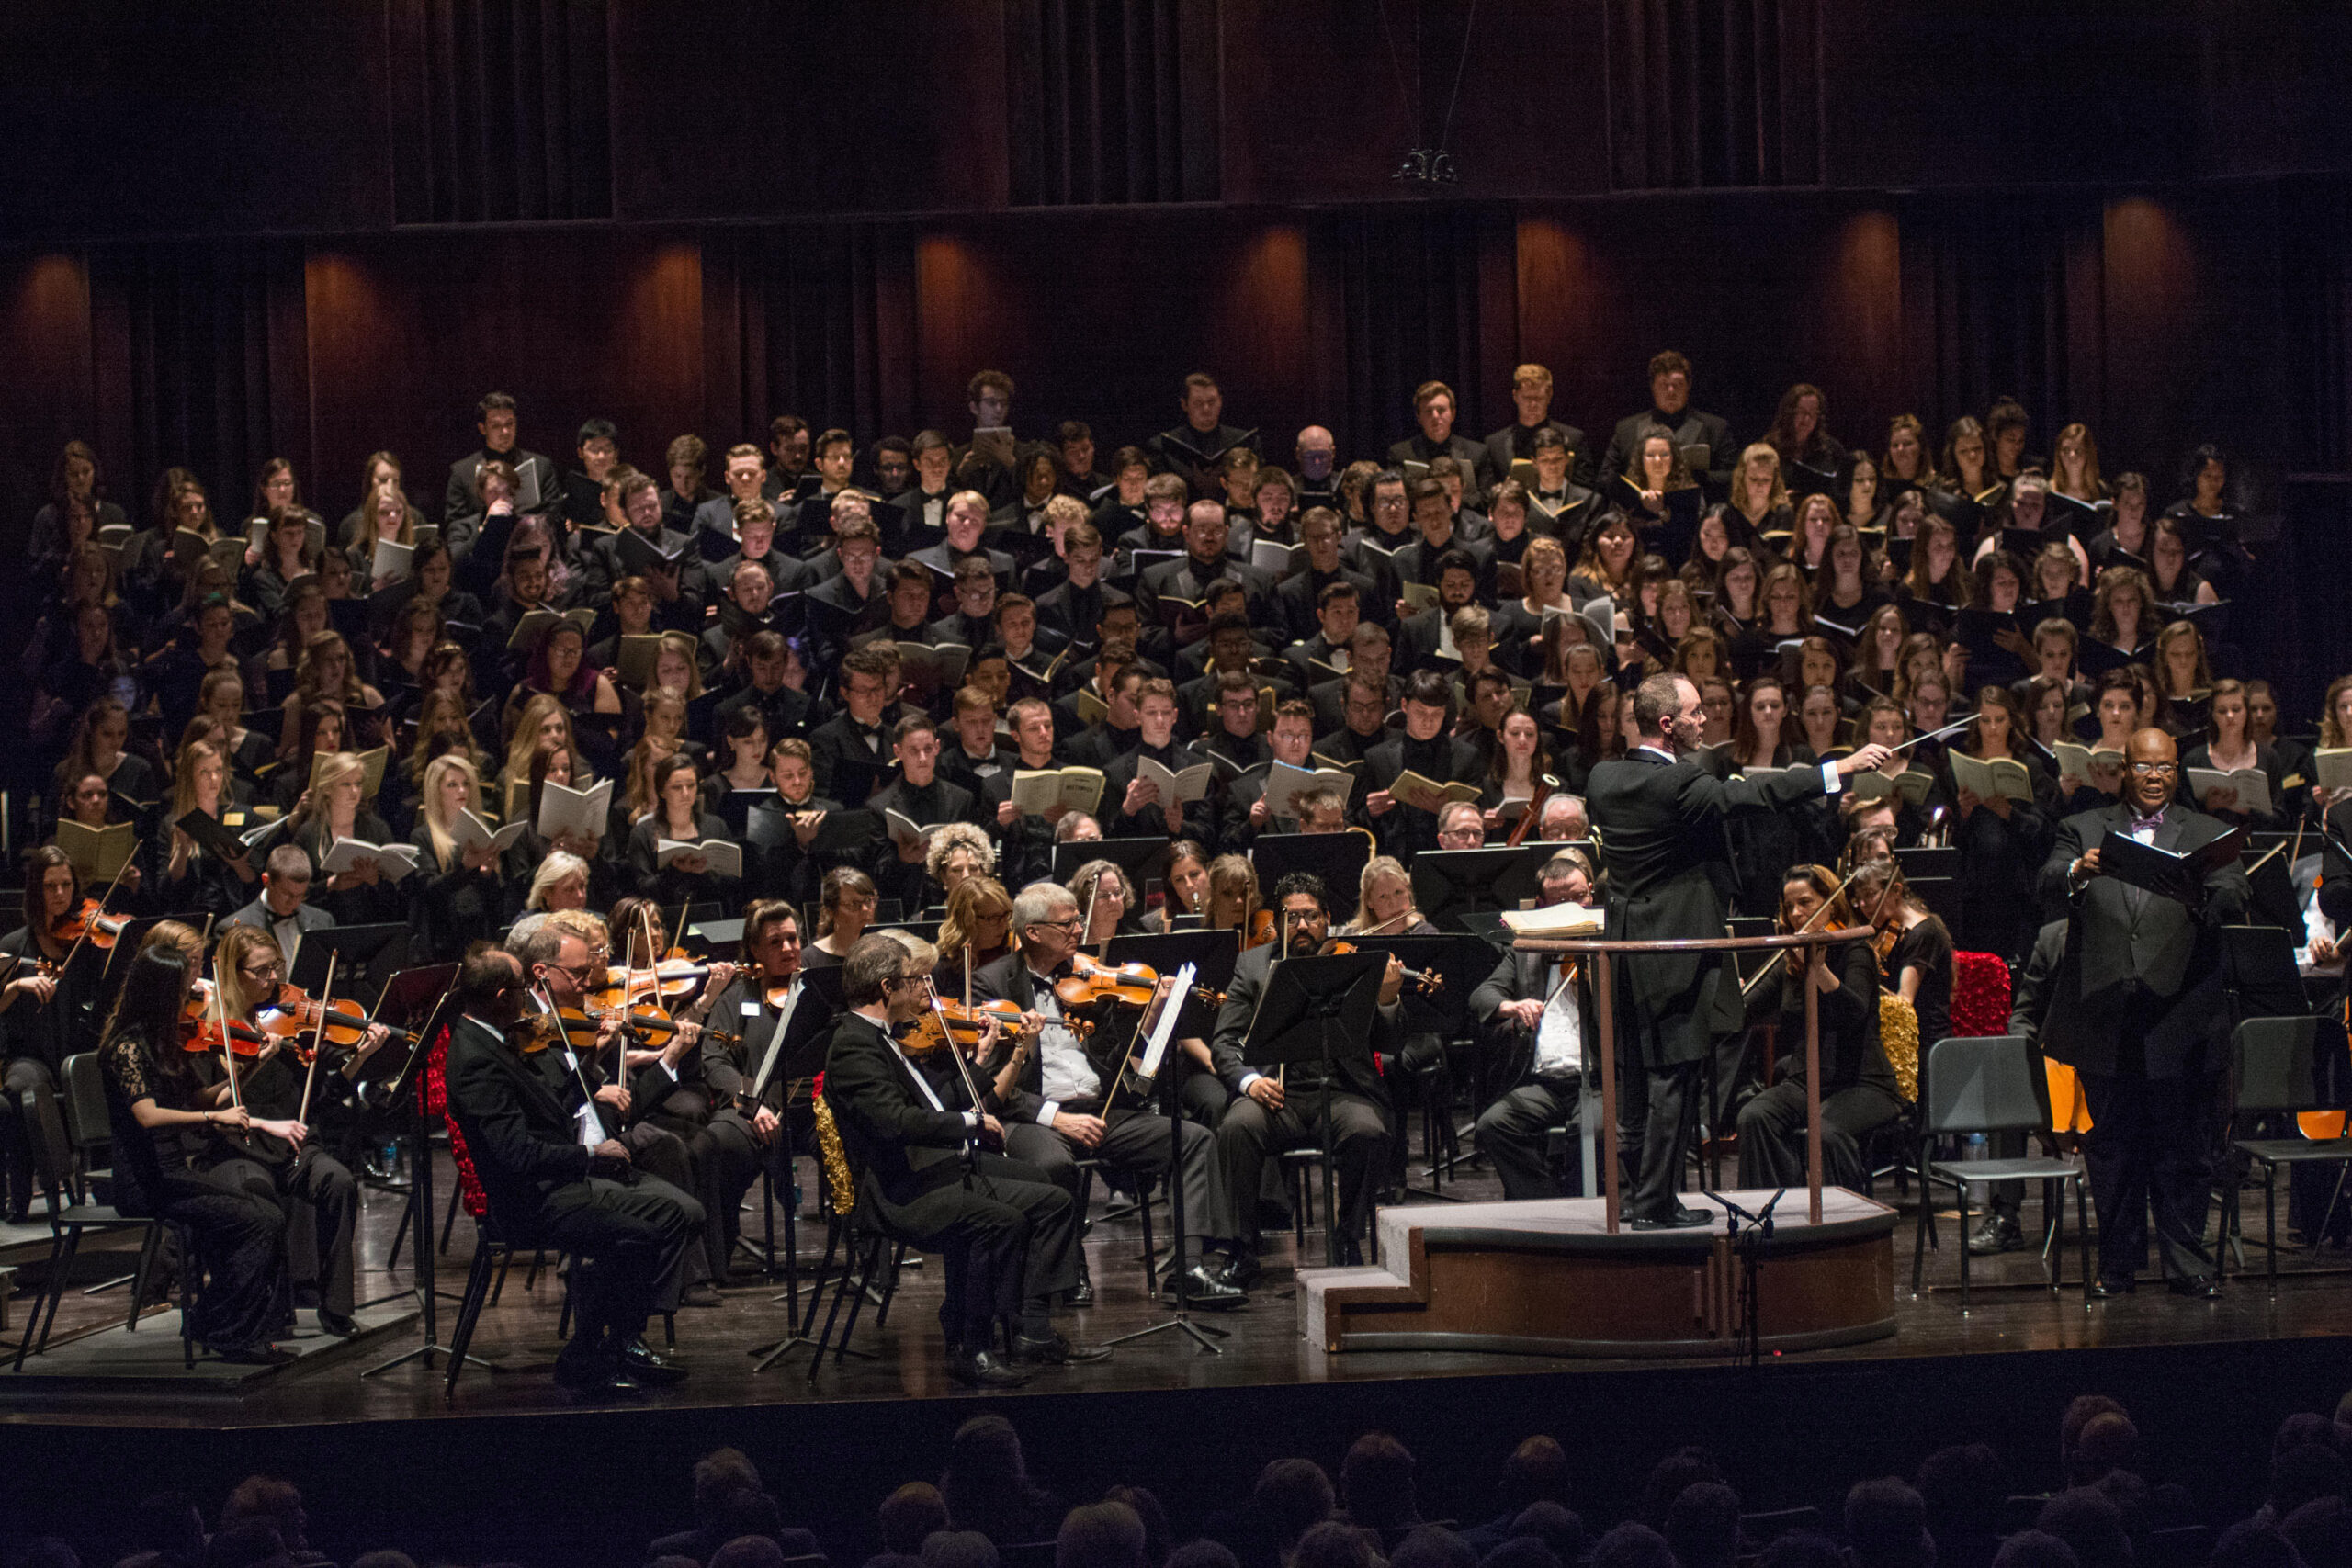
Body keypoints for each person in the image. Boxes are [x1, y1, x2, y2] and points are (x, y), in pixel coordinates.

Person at [1586, 673, 1892, 1227]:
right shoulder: (1682, 784)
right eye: (1696, 713)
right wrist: (1838, 769)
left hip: (1627, 948)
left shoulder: (1604, 777)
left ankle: (1639, 1195)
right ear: (1667, 723)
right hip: (1677, 949)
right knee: (1674, 1077)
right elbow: (1755, 794)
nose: (1705, 722)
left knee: (1636, 1081)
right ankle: (1654, 1202)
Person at [820, 932, 1093, 1386]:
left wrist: (981, 1066)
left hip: (926, 1167)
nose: (924, 991)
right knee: (1000, 1221)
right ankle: (972, 1344)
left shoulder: (882, 1037)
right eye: (915, 981)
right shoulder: (853, 1045)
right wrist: (969, 1123)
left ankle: (1030, 1325)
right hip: (899, 1189)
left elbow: (931, 1104)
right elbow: (894, 1122)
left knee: (1052, 1197)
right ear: (887, 987)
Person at [2039, 727, 2249, 1297]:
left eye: (2165, 768)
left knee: (2183, 1150)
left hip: (2182, 1018)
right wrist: (2076, 873)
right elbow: (2045, 881)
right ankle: (2118, 1267)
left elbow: (2236, 893)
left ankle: (2188, 1266)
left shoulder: (2208, 832)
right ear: (2123, 770)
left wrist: (2199, 889)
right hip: (2107, 1018)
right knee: (2113, 1152)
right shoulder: (2082, 828)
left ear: (2176, 772)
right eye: (2144, 767)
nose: (2155, 777)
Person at [971, 881, 1248, 1310]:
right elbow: (987, 1083)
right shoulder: (992, 983)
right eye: (1067, 924)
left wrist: (1149, 1020)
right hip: (1031, 1116)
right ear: (1033, 933)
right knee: (1053, 1163)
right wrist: (1054, 1118)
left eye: (1078, 920)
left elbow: (1119, 1062)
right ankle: (1070, 1266)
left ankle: (1188, 1269)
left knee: (1193, 1139)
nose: (1078, 930)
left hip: (1100, 1108)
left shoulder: (1089, 978)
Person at [441, 946, 695, 1393]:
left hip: (553, 1183)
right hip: (530, 1201)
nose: (529, 998)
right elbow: (516, 1154)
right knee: (643, 1231)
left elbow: (543, 1113)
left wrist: (585, 1073)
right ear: (502, 996)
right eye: (522, 989)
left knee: (674, 1213)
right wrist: (592, 1156)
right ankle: (589, 1353)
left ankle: (614, 1346)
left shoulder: (494, 1038)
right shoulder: (477, 1058)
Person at [97, 941, 294, 1364]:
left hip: (172, 1172)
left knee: (267, 1216)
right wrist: (211, 1118)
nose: (192, 996)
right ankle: (230, 1333)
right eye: (182, 990)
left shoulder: (164, 1041)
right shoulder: (126, 1047)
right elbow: (148, 1116)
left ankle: (213, 1320)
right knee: (255, 1221)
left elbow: (200, 1095)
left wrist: (250, 1065)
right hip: (146, 1180)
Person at [1208, 873, 1404, 1274]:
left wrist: (1388, 997)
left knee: (1368, 1131)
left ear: (1326, 919)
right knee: (1236, 1128)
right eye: (1291, 917)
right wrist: (1250, 1081)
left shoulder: (1354, 961)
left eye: (1310, 916)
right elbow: (1224, 1042)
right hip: (1277, 1094)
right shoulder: (1253, 965)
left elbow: (1393, 1042)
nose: (1301, 925)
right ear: (1278, 923)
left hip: (1344, 1091)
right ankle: (1242, 1249)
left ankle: (1347, 1237)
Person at [1734, 866, 1902, 1190]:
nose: (1796, 914)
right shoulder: (1789, 960)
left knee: (1823, 1131)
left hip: (1862, 1081)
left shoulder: (1856, 950)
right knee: (1754, 1116)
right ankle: (1780, 1209)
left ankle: (1846, 1223)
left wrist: (1819, 968)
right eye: (1789, 906)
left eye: (1806, 903)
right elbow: (1746, 1008)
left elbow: (1853, 1013)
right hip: (1806, 1081)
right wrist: (1731, 994)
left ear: (1832, 904)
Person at [1470, 851, 1599, 1199]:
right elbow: (1484, 994)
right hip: (1544, 1083)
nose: (1574, 909)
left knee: (1594, 1129)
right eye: (1561, 902)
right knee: (1495, 1125)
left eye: (1580, 898)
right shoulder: (1526, 953)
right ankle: (1546, 1205)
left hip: (1600, 1081)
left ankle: (1587, 1207)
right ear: (1542, 906)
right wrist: (1511, 1005)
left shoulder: (1608, 949)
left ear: (1592, 893)